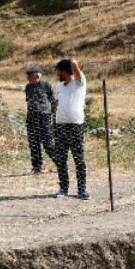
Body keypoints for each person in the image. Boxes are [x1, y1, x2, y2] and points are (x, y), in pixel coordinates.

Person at [53, 58, 89, 201]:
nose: (57, 74)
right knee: (61, 159)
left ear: (64, 71)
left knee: (78, 158)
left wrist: (70, 61)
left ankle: (82, 190)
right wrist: (53, 126)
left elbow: (74, 64)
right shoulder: (59, 87)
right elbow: (56, 106)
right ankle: (63, 188)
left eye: (58, 71)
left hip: (75, 125)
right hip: (60, 126)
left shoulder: (79, 83)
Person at [24, 65, 57, 174]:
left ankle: (59, 162)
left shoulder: (46, 85)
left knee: (47, 143)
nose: (28, 78)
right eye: (27, 76)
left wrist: (54, 119)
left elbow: (53, 101)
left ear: (37, 76)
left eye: (30, 76)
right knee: (33, 144)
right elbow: (28, 102)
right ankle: (37, 167)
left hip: (45, 117)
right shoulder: (28, 87)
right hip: (32, 118)